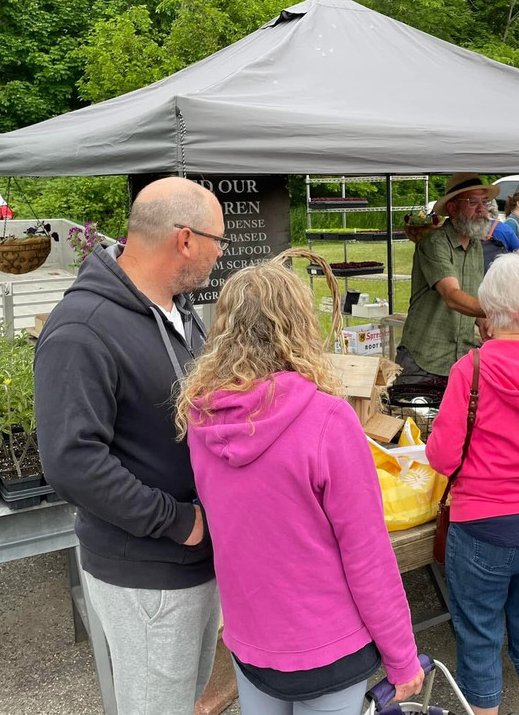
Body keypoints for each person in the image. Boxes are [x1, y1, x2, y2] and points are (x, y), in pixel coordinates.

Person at [178, 261, 424, 715]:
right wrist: (402, 657)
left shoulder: (200, 419)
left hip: (252, 640)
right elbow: (368, 556)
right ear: (300, 326)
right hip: (328, 645)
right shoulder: (328, 420)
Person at [35, 177, 226, 715]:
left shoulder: (175, 310)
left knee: (182, 699)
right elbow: (72, 462)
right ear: (185, 240)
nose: (220, 255)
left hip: (191, 560)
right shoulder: (84, 329)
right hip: (148, 567)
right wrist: (180, 522)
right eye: (218, 242)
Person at [426, 253, 519, 715]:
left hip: (484, 524)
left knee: (479, 636)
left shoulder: (470, 369)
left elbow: (442, 456)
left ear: (489, 306)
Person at [394, 173, 498, 389]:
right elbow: (452, 296)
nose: (481, 209)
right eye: (472, 202)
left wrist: (482, 321)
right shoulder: (434, 243)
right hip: (424, 360)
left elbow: (473, 294)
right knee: (414, 422)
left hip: (462, 359)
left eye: (484, 202)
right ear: (452, 208)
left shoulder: (476, 246)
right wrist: (497, 311)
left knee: (458, 422)